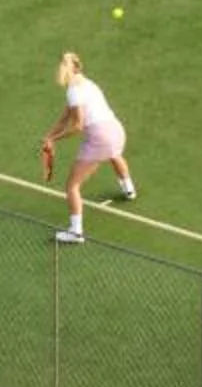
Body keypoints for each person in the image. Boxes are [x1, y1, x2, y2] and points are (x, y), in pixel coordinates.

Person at [39, 51, 134, 245]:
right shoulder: (88, 84)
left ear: (69, 69)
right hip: (116, 130)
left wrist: (56, 139)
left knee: (72, 186)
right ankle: (129, 190)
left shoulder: (73, 91)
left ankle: (76, 233)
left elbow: (77, 126)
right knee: (114, 154)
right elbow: (64, 118)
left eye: (62, 67)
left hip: (99, 138)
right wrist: (49, 136)